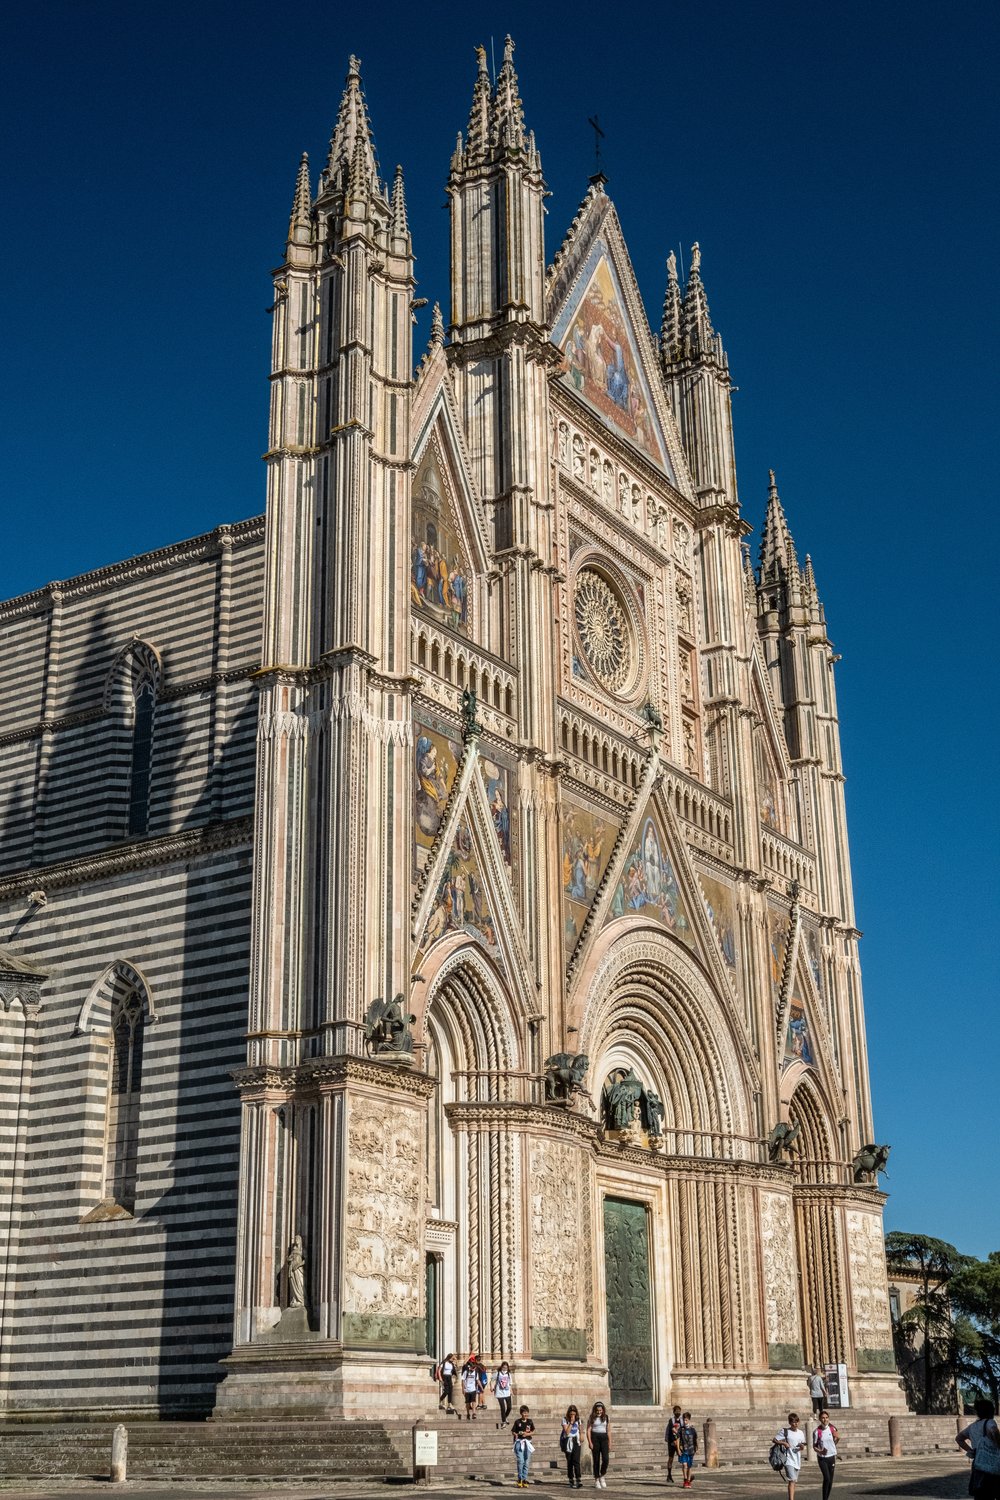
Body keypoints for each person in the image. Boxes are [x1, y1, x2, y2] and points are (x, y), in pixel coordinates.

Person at [958, 1399, 1000, 1500]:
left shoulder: (972, 1426)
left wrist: (971, 1451)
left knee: (980, 1494)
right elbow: (993, 1431)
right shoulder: (990, 1422)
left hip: (978, 1463)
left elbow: (959, 1438)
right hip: (992, 1463)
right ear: (991, 1411)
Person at [773, 1413, 807, 1500]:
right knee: (792, 1480)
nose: (795, 1424)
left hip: (797, 1459)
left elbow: (802, 1444)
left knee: (794, 1481)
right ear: (789, 1422)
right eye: (793, 1422)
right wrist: (784, 1443)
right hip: (788, 1459)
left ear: (799, 1422)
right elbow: (775, 1440)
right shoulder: (785, 1431)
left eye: (796, 1422)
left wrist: (802, 1447)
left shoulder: (800, 1433)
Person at [813, 1410, 838, 1500]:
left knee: (830, 1480)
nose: (825, 1419)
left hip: (831, 1456)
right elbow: (814, 1446)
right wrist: (820, 1451)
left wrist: (837, 1438)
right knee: (826, 1478)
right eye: (823, 1418)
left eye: (826, 1418)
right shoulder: (817, 1431)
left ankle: (826, 1498)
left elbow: (835, 1440)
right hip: (822, 1458)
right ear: (820, 1419)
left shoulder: (832, 1428)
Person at [587, 1401, 612, 1488]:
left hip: (604, 1438)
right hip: (595, 1438)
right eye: (597, 1410)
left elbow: (608, 1431)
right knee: (596, 1460)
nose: (599, 1412)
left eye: (600, 1410)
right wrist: (590, 1442)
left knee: (606, 1459)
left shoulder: (606, 1417)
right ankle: (596, 1479)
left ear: (603, 1410)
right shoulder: (591, 1418)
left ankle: (602, 1475)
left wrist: (610, 1443)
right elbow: (588, 1430)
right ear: (595, 1410)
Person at [512, 1405, 536, 1489]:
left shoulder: (530, 1421)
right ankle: (520, 1479)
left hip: (528, 1443)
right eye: (524, 1413)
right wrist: (516, 1435)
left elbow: (533, 1431)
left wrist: (527, 1434)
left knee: (526, 1461)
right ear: (521, 1413)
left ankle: (524, 1479)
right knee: (520, 1460)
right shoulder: (517, 1421)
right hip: (519, 1442)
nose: (525, 1414)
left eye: (526, 1412)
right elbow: (513, 1431)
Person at [562, 1404, 583, 1488]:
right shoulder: (565, 1420)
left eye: (574, 1414)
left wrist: (582, 1435)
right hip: (568, 1440)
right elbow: (567, 1432)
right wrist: (571, 1422)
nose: (572, 1416)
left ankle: (578, 1479)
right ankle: (571, 1478)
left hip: (576, 1441)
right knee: (570, 1461)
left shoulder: (578, 1420)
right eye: (571, 1414)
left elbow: (581, 1429)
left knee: (576, 1461)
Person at [676, 1412, 698, 1489]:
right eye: (683, 1420)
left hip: (691, 1450)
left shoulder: (692, 1430)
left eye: (686, 1420)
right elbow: (678, 1439)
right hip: (683, 1450)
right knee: (684, 1465)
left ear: (689, 1420)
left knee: (689, 1466)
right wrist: (678, 1449)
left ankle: (689, 1480)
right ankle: (685, 1480)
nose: (684, 1422)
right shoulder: (681, 1430)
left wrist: (697, 1448)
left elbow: (695, 1439)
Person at [665, 1404, 683, 1484]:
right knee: (671, 1458)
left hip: (679, 1441)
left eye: (679, 1411)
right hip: (672, 1442)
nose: (678, 1413)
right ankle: (669, 1475)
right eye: (676, 1411)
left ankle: (685, 1476)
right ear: (673, 1412)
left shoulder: (682, 1421)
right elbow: (671, 1430)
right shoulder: (671, 1420)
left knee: (682, 1458)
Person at [492, 1360, 513, 1428]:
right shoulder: (497, 1373)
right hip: (500, 1393)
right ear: (501, 1367)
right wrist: (491, 1387)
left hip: (507, 1392)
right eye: (503, 1368)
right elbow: (492, 1380)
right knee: (503, 1408)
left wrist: (511, 1391)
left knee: (509, 1407)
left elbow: (510, 1384)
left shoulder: (509, 1374)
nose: (505, 1369)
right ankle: (503, 1422)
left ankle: (505, 1417)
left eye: (506, 1368)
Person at [460, 1354, 479, 1420]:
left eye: (474, 1368)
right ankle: (468, 1413)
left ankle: (474, 1413)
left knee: (473, 1401)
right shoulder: (466, 1370)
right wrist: (463, 1389)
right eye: (472, 1367)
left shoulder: (475, 1371)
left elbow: (477, 1380)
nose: (473, 1369)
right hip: (467, 1389)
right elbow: (462, 1380)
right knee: (467, 1403)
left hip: (473, 1389)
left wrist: (480, 1387)